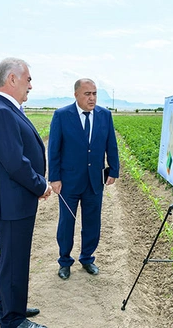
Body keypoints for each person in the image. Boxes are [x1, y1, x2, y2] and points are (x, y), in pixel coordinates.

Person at [0, 58, 51, 328]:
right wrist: (40, 185)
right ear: (12, 79)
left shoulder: (7, 109)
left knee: (14, 259)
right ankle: (12, 320)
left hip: (16, 201)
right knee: (13, 261)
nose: (31, 85)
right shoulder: (0, 112)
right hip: (13, 202)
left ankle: (12, 307)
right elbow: (15, 162)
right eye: (28, 79)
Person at [48, 78, 119, 280]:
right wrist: (54, 178)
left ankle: (87, 258)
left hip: (94, 180)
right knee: (66, 223)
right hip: (68, 181)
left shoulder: (104, 115)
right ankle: (64, 261)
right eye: (87, 94)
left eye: (95, 93)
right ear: (76, 95)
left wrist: (113, 169)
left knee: (92, 222)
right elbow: (54, 148)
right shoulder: (62, 115)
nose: (92, 98)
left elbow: (110, 144)